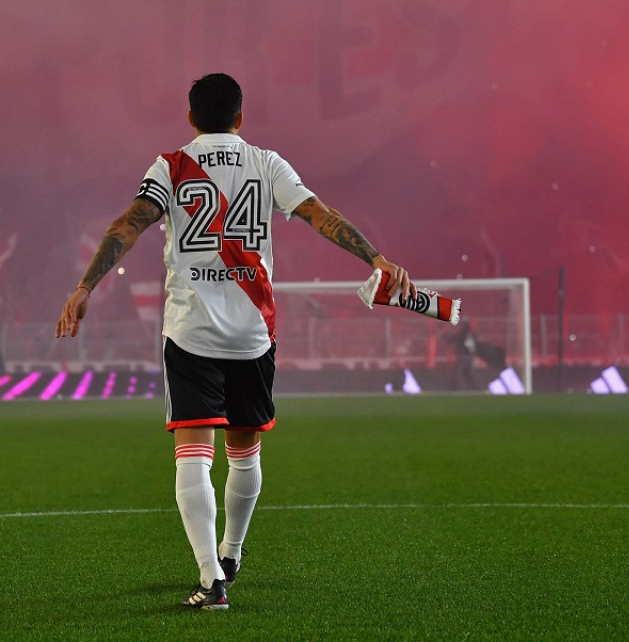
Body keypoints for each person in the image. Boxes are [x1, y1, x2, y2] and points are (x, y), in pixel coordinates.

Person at [55, 72, 413, 610]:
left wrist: (86, 286)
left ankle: (210, 579)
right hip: (253, 333)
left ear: (191, 118)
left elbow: (130, 223)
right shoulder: (267, 164)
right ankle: (232, 552)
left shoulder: (170, 166)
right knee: (244, 453)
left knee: (192, 457)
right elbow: (321, 217)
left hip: (191, 332)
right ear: (240, 118)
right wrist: (377, 259)